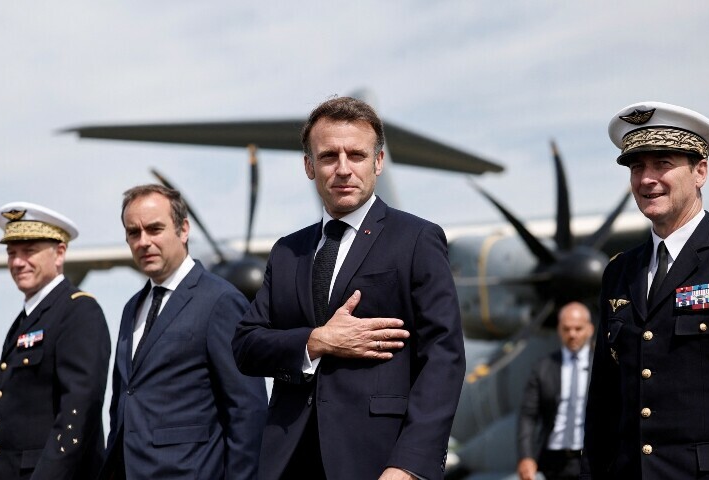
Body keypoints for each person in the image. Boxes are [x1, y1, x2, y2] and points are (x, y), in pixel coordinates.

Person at [232, 96, 466, 480]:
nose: (343, 169)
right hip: (289, 461)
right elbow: (246, 345)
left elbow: (444, 358)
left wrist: (410, 464)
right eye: (328, 157)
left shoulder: (416, 239)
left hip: (380, 462)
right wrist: (317, 341)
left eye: (356, 155)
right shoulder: (287, 252)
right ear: (309, 167)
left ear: (378, 162)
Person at [581, 101, 709, 479]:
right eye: (637, 167)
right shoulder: (619, 272)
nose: (646, 179)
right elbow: (604, 400)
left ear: (700, 171)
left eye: (663, 164)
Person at [99, 184, 267, 479]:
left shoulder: (220, 301)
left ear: (184, 229)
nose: (144, 242)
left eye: (154, 229)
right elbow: (124, 401)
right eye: (133, 233)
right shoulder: (131, 309)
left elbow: (247, 410)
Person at [0, 202, 111, 480]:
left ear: (59, 254)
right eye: (12, 253)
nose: (18, 262)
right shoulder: (25, 321)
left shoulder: (78, 312)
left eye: (29, 251)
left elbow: (78, 413)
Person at [517, 302, 593, 480]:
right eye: (566, 329)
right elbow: (528, 415)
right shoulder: (543, 367)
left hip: (591, 459)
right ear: (559, 329)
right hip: (554, 461)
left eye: (578, 328)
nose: (572, 334)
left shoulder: (603, 365)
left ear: (589, 329)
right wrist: (526, 456)